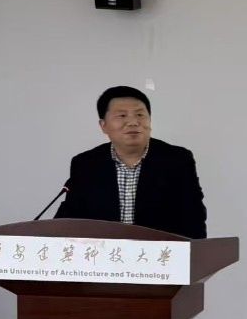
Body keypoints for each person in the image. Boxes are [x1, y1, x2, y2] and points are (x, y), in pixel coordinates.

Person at [55, 86, 207, 239]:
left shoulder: (177, 160)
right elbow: (72, 219)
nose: (133, 122)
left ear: (150, 120)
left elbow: (194, 219)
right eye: (122, 116)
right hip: (103, 251)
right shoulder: (86, 164)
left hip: (159, 251)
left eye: (140, 115)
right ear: (103, 125)